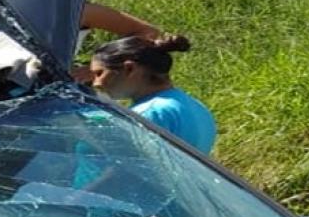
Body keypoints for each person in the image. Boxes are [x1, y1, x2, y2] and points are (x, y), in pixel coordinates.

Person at [88, 35, 217, 153]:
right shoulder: (195, 105)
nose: (96, 83)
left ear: (129, 69)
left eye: (99, 73)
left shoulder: (147, 115)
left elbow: (130, 165)